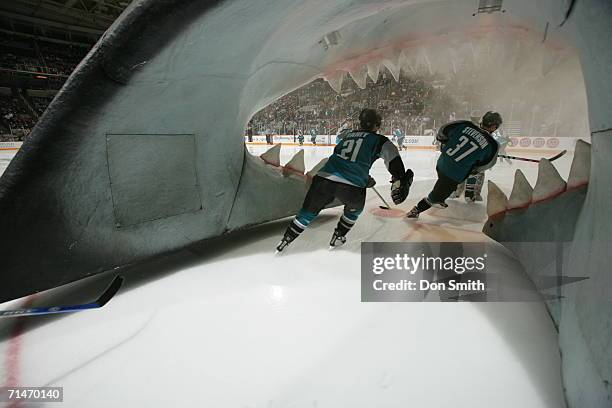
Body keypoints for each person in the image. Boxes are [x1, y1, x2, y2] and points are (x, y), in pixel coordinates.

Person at [276, 108, 414, 251]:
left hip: (323, 179)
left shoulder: (347, 136)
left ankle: (285, 240)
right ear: (377, 125)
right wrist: (399, 178)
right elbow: (393, 159)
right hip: (352, 185)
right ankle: (338, 236)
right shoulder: (379, 140)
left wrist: (363, 175)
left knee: (307, 213)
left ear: (360, 123)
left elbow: (342, 156)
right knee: (354, 211)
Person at [406, 111, 502, 218]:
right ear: (494, 127)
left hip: (441, 164)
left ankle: (447, 194)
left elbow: (442, 133)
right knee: (435, 197)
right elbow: (482, 167)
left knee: (443, 182)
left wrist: (447, 145)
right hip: (453, 176)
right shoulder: (492, 145)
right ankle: (416, 211)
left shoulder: (465, 125)